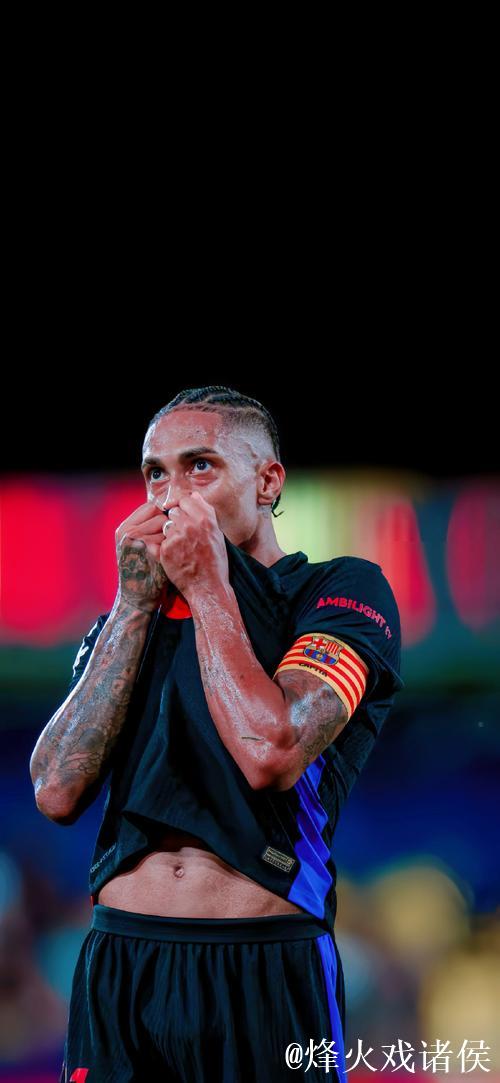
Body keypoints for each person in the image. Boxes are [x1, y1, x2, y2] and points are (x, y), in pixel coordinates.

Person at [30, 385, 404, 1082]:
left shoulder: (337, 594)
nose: (172, 495)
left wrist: (207, 586)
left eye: (200, 466)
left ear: (268, 481)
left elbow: (273, 752)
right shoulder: (125, 624)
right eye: (155, 474)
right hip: (122, 963)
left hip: (265, 962)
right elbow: (55, 790)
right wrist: (132, 605)